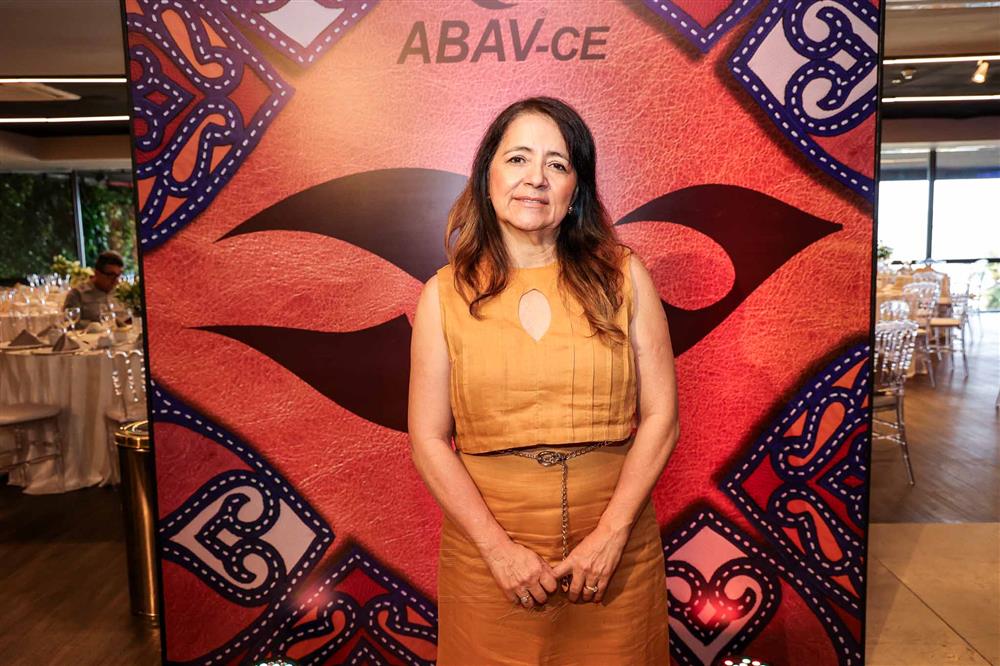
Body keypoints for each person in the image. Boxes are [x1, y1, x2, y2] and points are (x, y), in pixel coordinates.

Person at [408, 97, 680, 664]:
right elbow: (428, 439)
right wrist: (498, 551)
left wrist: (610, 536)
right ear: (487, 177)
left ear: (576, 189)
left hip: (614, 559)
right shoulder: (442, 295)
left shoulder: (625, 277)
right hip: (489, 564)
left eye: (557, 164)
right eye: (518, 159)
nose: (535, 178)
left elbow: (662, 417)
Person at [62, 250, 124, 327]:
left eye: (118, 275)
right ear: (97, 273)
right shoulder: (77, 294)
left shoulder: (121, 293)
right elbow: (68, 323)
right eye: (111, 275)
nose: (116, 281)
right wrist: (96, 325)